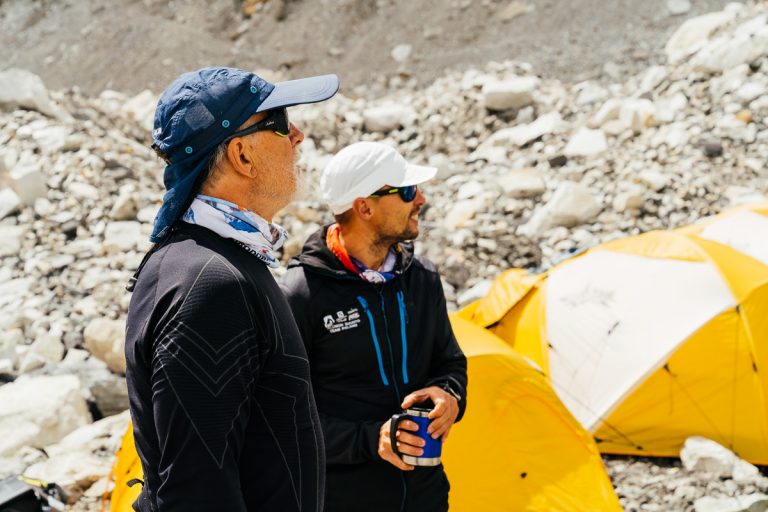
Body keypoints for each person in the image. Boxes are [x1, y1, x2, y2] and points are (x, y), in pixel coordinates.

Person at [124, 67, 339, 512]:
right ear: (242, 154)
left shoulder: (208, 262)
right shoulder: (212, 284)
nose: (297, 135)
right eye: (279, 121)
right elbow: (196, 493)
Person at [281, 141, 468, 512]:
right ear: (363, 206)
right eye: (407, 191)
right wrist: (372, 439)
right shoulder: (300, 294)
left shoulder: (424, 278)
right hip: (342, 499)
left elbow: (451, 364)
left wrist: (451, 397)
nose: (421, 199)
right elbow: (285, 419)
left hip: (426, 495)